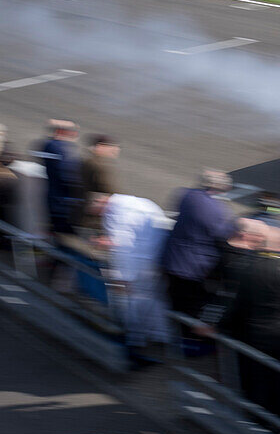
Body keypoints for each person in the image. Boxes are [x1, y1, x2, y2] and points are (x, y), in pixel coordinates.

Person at [216, 230, 280, 428]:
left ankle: (258, 423)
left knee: (257, 383)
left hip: (254, 335)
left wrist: (221, 325)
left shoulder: (246, 267)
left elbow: (237, 304)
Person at [95, 193, 173, 369]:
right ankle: (161, 336)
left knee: (134, 306)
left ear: (102, 203)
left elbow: (123, 245)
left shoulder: (116, 213)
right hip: (154, 257)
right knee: (155, 301)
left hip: (139, 266)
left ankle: (136, 344)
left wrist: (124, 277)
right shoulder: (135, 202)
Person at [161, 169, 235, 319]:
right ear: (220, 186)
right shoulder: (215, 209)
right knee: (188, 310)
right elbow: (221, 234)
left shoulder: (186, 195)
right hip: (194, 268)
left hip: (173, 260)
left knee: (171, 301)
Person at [41, 120, 82, 236]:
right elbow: (68, 176)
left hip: (54, 199)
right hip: (63, 202)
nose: (76, 135)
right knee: (66, 236)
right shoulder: (59, 148)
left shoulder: (48, 145)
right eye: (72, 132)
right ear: (61, 132)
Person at [77, 135, 119, 225]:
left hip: (85, 211)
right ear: (100, 147)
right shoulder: (101, 165)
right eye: (112, 147)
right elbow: (110, 188)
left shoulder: (87, 161)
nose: (116, 150)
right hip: (98, 215)